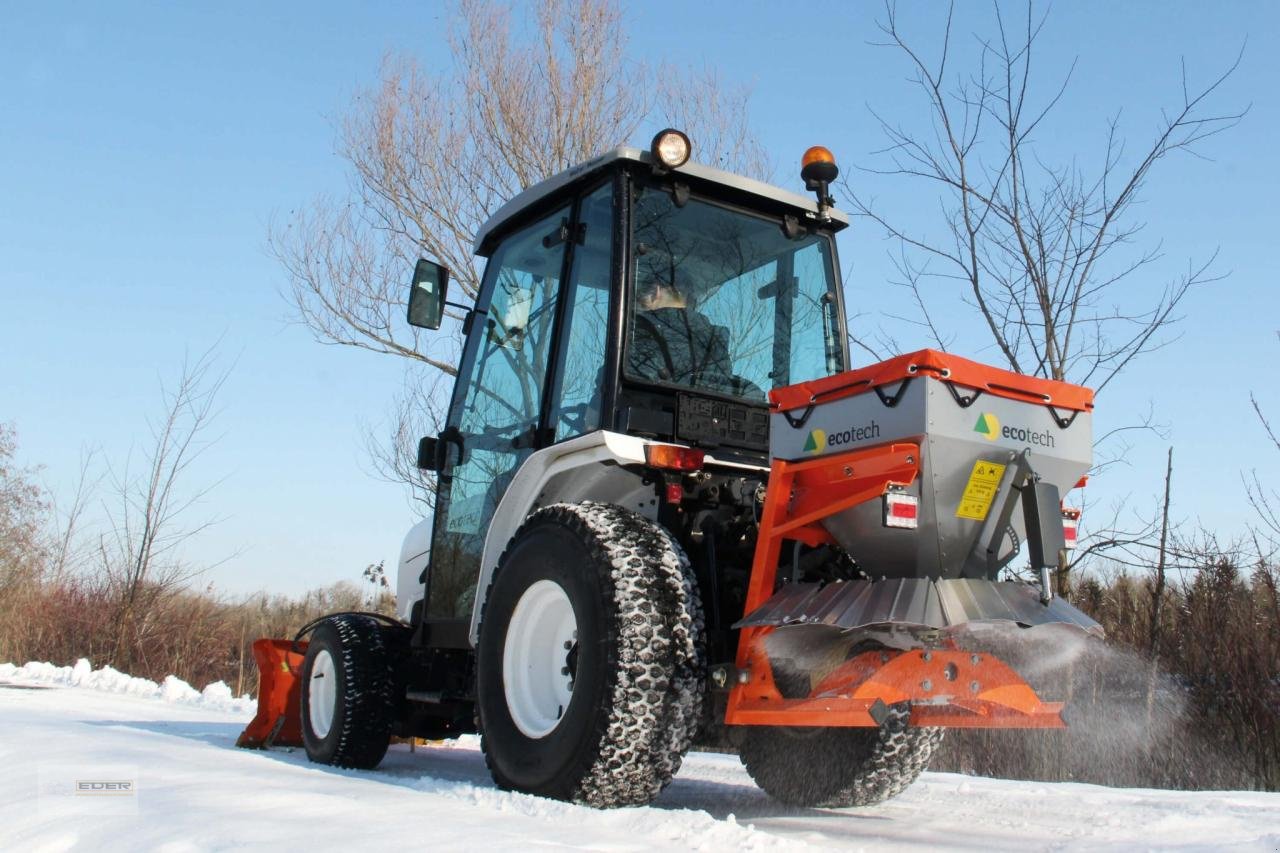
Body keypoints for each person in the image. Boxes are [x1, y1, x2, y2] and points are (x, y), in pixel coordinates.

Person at [628, 270, 735, 393]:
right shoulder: (716, 341)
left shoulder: (641, 329)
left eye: (641, 298)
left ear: (656, 292)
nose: (640, 305)